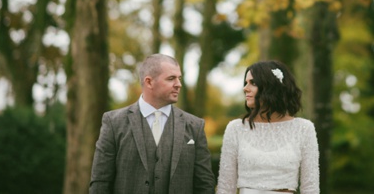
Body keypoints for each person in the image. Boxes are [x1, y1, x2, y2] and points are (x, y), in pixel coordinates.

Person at [89, 53, 216, 194]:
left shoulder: (195, 126)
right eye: (171, 78)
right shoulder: (114, 122)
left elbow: (205, 184)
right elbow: (100, 182)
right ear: (149, 82)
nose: (179, 84)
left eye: (179, 78)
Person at [216, 60, 320, 194]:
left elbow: (310, 188)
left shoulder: (304, 129)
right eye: (245, 83)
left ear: (271, 87)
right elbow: (225, 187)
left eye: (253, 83)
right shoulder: (236, 128)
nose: (245, 88)